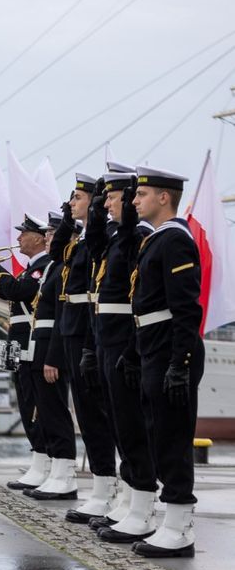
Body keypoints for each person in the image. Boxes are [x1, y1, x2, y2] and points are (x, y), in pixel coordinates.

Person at [121, 167, 205, 558]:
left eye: (141, 195)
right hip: (152, 345)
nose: (134, 201)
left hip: (171, 346)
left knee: (172, 438)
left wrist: (180, 362)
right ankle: (169, 522)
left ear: (164, 198)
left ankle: (180, 527)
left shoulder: (175, 240)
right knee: (157, 433)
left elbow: (187, 308)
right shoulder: (155, 241)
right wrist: (135, 352)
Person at [33, 174, 117, 509]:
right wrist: (68, 220)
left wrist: (91, 215)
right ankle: (103, 488)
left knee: (98, 415)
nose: (71, 203)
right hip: (71, 330)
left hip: (85, 330)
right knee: (86, 413)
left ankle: (109, 488)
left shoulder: (99, 238)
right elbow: (55, 251)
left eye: (77, 199)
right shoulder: (77, 243)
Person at [94, 171, 158, 541]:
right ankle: (131, 500)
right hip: (107, 338)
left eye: (114, 198)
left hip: (125, 340)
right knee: (119, 423)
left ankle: (143, 505)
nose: (108, 205)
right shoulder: (115, 239)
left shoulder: (139, 237)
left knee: (133, 425)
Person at [0, 215, 52, 490]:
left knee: (34, 406)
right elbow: (10, 291)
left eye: (24, 234)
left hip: (32, 344)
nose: (18, 239)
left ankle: (45, 463)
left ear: (39, 238)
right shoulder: (30, 268)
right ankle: (38, 461)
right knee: (25, 402)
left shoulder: (42, 268)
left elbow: (17, 291)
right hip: (20, 344)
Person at [23, 210, 80, 498]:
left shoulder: (63, 268)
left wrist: (53, 358)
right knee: (45, 411)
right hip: (40, 343)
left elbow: (61, 316)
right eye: (46, 233)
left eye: (52, 233)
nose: (47, 237)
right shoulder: (54, 268)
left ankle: (65, 474)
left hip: (50, 348)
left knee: (56, 412)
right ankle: (56, 472)